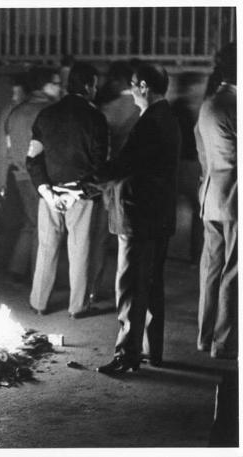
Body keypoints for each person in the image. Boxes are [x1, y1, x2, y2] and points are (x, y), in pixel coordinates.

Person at [95, 63, 181, 374]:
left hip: (138, 216)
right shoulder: (167, 118)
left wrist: (91, 174)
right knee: (152, 284)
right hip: (158, 216)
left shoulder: (150, 123)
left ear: (144, 86)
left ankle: (126, 355)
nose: (131, 91)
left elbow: (126, 165)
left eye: (133, 85)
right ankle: (151, 351)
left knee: (131, 285)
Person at [26, 62, 108, 317]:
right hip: (80, 196)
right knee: (80, 250)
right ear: (87, 86)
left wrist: (46, 190)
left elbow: (32, 158)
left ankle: (39, 303)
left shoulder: (47, 115)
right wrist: (79, 192)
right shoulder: (96, 118)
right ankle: (77, 307)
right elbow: (99, 164)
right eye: (94, 84)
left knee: (46, 248)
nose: (95, 89)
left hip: (49, 194)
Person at [195, 42, 237, 360]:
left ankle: (204, 335)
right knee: (232, 272)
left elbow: (202, 151)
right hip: (234, 199)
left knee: (211, 268)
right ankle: (223, 342)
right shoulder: (235, 104)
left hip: (210, 195)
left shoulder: (209, 103)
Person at [4, 66, 61, 284]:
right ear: (44, 85)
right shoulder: (50, 110)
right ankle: (39, 278)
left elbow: (9, 145)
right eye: (55, 83)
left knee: (30, 223)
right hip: (42, 177)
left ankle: (17, 268)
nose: (59, 87)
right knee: (43, 228)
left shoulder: (17, 111)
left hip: (20, 175)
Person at [89, 61, 140, 302]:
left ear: (119, 81)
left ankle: (92, 289)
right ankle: (131, 291)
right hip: (139, 179)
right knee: (133, 240)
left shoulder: (110, 109)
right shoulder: (143, 107)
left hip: (113, 180)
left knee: (100, 238)